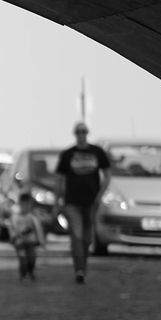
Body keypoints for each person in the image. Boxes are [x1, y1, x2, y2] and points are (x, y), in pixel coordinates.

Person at [55, 121, 111, 284]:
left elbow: (107, 174)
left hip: (91, 202)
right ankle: (79, 269)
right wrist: (57, 201)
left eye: (83, 132)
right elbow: (59, 179)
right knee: (77, 236)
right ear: (75, 134)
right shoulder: (67, 154)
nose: (81, 135)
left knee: (87, 237)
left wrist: (100, 195)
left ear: (87, 133)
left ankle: (83, 266)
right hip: (72, 202)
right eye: (78, 132)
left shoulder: (97, 152)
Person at [8, 191, 46, 281]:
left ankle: (31, 271)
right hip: (19, 242)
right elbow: (12, 230)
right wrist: (14, 237)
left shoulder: (32, 217)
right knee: (23, 259)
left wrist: (41, 242)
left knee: (32, 259)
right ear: (20, 204)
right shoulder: (15, 217)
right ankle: (23, 274)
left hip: (30, 242)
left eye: (27, 204)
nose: (26, 206)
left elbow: (38, 230)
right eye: (23, 204)